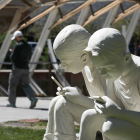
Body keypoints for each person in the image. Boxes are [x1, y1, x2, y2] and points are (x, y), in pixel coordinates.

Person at [43, 25, 121, 140]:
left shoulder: (106, 69)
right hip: (103, 116)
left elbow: (114, 111)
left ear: (84, 58)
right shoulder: (86, 67)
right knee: (57, 101)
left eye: (65, 61)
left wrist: (81, 99)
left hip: (116, 122)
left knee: (63, 104)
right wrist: (74, 97)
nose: (62, 66)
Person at [78, 28, 140, 140]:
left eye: (107, 67)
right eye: (98, 67)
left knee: (110, 127)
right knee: (89, 117)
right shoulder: (114, 72)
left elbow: (115, 112)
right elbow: (110, 112)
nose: (103, 73)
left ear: (126, 58)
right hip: (133, 123)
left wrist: (117, 113)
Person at [7, 30, 38, 108]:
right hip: (25, 68)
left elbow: (12, 58)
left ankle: (12, 103)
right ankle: (32, 98)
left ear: (17, 37)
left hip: (17, 68)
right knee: (25, 84)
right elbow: (29, 56)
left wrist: (12, 52)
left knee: (12, 85)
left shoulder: (17, 46)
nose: (15, 40)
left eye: (15, 39)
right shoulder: (28, 46)